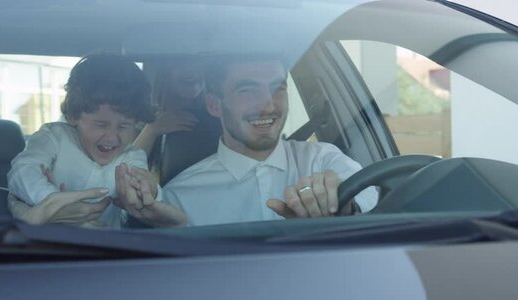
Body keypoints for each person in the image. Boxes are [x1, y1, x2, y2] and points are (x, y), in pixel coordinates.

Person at [159, 57, 378, 226]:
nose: (268, 106)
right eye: (248, 90)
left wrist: (344, 208)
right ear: (214, 105)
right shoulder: (180, 197)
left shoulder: (323, 159)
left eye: (277, 89)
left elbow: (373, 200)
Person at [7, 54, 184, 228]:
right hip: (48, 247)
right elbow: (23, 172)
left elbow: (145, 190)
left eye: (124, 126)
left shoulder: (132, 156)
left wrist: (146, 192)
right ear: (73, 116)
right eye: (101, 124)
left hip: (104, 250)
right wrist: (54, 201)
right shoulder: (54, 137)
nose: (112, 137)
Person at [133, 59, 222, 184]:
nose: (192, 70)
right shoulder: (142, 119)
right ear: (164, 73)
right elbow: (124, 170)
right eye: (181, 61)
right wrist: (152, 130)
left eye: (199, 62)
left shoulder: (222, 117)